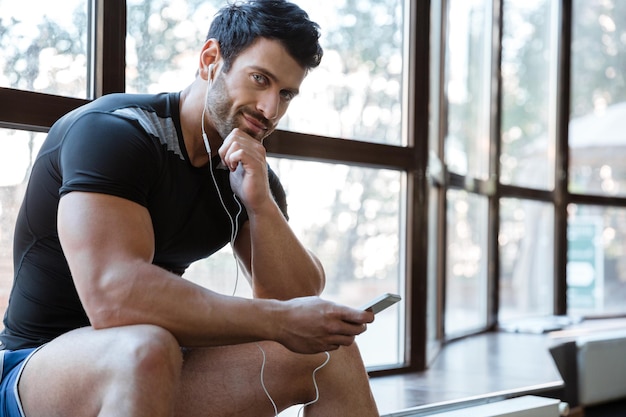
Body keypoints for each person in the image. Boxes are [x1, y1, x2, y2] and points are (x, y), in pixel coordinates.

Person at [0, 0, 382, 416]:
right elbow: (113, 299)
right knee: (146, 346)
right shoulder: (115, 133)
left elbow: (297, 303)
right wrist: (278, 320)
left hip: (158, 364)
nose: (270, 110)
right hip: (36, 369)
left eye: (285, 94)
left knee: (331, 351)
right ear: (211, 60)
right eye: (259, 79)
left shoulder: (245, 170)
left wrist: (260, 204)